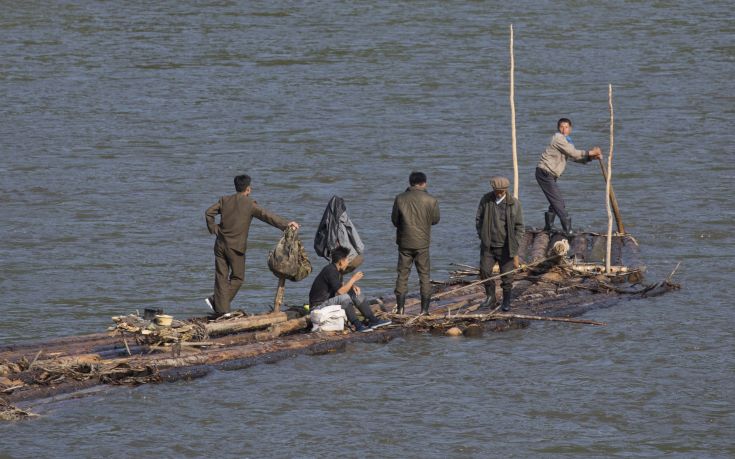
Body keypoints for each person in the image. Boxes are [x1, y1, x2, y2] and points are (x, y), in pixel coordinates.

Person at [205, 174, 299, 315]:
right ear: (248, 189)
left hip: (220, 244)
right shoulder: (250, 204)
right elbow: (267, 216)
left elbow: (208, 212)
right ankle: (218, 305)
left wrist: (214, 228)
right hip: (235, 248)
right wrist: (287, 224)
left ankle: (220, 308)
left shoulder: (225, 200)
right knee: (237, 278)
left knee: (221, 277)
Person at [536, 118, 602, 235]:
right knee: (559, 202)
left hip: (549, 174)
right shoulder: (558, 138)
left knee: (555, 201)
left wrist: (591, 158)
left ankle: (548, 226)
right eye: (561, 127)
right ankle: (568, 230)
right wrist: (591, 152)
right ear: (558, 128)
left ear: (570, 129)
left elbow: (575, 157)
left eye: (566, 127)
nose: (563, 130)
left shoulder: (567, 142)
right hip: (544, 173)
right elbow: (573, 153)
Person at [308, 247, 391, 332]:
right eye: (347, 260)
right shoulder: (330, 270)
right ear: (341, 261)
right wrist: (353, 279)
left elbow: (341, 286)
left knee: (354, 293)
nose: (348, 263)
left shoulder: (336, 270)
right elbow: (340, 292)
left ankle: (373, 320)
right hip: (317, 307)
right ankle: (358, 325)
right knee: (344, 297)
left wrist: (352, 286)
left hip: (328, 302)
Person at [391, 171, 440, 315]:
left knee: (402, 275)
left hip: (404, 243)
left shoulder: (400, 198)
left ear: (410, 183)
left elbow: (395, 220)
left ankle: (400, 309)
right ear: (424, 183)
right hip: (422, 243)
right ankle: (424, 310)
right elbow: (435, 220)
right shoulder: (431, 200)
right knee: (424, 276)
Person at [476, 176, 524, 312]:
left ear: (506, 190)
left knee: (507, 276)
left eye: (502, 191)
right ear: (493, 189)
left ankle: (506, 301)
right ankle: (491, 297)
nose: (499, 193)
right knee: (484, 271)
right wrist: (482, 236)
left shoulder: (514, 204)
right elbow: (478, 219)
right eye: (497, 191)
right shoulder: (486, 200)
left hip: (506, 247)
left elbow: (520, 227)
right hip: (488, 246)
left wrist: (515, 242)